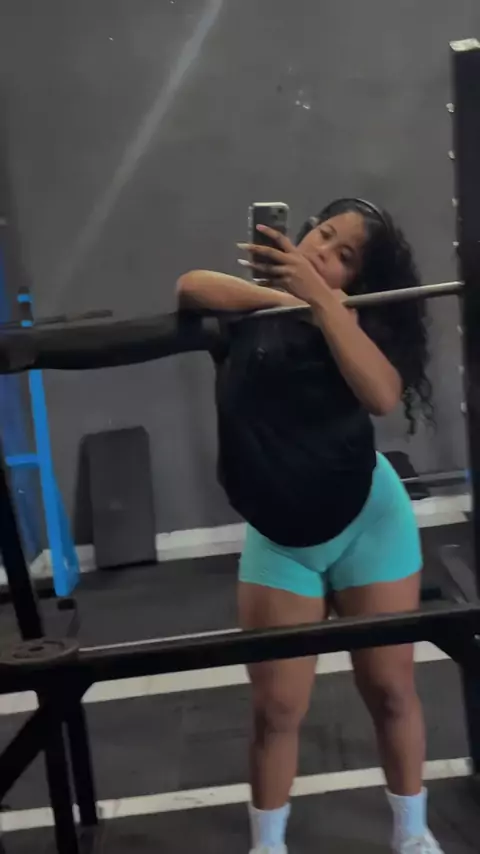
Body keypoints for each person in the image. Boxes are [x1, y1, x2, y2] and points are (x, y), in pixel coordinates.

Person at [176, 198, 441, 854]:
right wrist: (285, 299)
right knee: (276, 709)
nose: (324, 251)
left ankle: (412, 835)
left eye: (344, 255)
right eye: (323, 235)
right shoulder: (248, 311)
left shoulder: (356, 324)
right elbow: (191, 286)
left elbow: (382, 394)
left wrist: (323, 305)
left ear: (357, 279)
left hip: (368, 521)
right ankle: (267, 847)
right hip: (282, 538)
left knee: (390, 690)